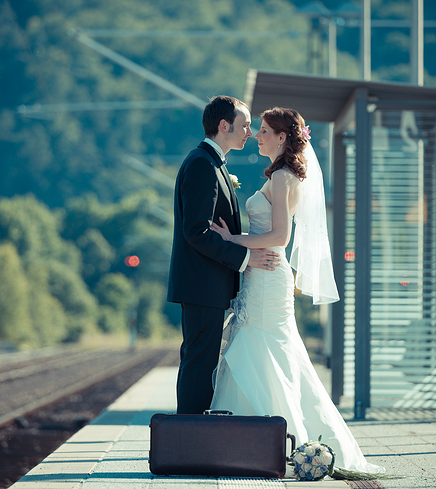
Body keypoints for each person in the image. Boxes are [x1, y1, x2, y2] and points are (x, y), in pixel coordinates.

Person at [209, 107, 384, 475]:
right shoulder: (277, 175)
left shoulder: (286, 177)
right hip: (261, 275)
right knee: (266, 351)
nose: (257, 135)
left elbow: (279, 238)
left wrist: (230, 239)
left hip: (269, 276)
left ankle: (279, 441)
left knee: (266, 349)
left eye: (264, 130)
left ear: (283, 137)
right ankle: (251, 444)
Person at [167, 95, 281, 415]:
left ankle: (193, 440)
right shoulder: (203, 164)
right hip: (202, 286)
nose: (249, 132)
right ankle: (188, 442)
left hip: (206, 285)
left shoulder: (211, 162)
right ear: (223, 125)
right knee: (199, 363)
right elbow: (197, 232)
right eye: (245, 125)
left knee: (201, 362)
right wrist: (245, 260)